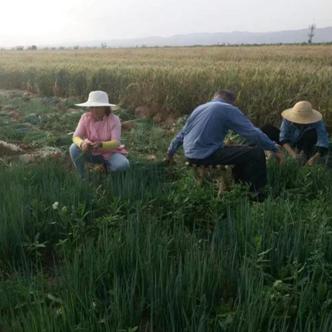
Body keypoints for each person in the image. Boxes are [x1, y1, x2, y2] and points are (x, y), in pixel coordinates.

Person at [166, 89, 283, 195]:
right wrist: (274, 148)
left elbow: (181, 134)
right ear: (230, 101)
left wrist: (170, 153)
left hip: (190, 155)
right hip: (206, 155)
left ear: (215, 97)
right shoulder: (227, 108)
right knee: (256, 152)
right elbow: (252, 133)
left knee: (244, 150)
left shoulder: (199, 108)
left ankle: (240, 185)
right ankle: (256, 193)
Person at [69, 90, 129, 178]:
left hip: (110, 153)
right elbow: (76, 137)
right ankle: (83, 176)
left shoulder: (114, 120)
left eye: (97, 107)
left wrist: (101, 144)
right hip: (91, 152)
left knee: (123, 165)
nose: (94, 110)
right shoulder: (85, 118)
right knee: (73, 148)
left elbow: (116, 142)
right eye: (92, 107)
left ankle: (106, 168)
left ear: (105, 107)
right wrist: (82, 144)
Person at [261, 101, 329, 166]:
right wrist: (293, 154)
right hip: (290, 140)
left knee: (311, 133)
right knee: (267, 128)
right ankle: (272, 150)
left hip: (303, 142)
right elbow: (283, 137)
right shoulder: (288, 119)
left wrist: (315, 158)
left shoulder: (317, 122)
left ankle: (304, 155)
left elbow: (323, 142)